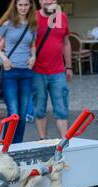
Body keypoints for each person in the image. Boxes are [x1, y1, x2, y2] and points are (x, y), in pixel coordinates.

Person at [0, 0, 37, 144]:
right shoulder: (7, 24)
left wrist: (34, 56)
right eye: (20, 5)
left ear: (30, 6)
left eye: (26, 5)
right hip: (10, 72)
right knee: (13, 112)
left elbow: (33, 44)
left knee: (22, 114)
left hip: (26, 73)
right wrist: (4, 58)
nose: (23, 8)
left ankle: (17, 146)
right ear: (15, 6)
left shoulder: (32, 25)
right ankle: (7, 145)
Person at [32, 0, 73, 140]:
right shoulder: (33, 17)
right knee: (39, 109)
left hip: (58, 72)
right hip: (37, 71)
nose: (48, 1)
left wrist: (69, 66)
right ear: (39, 1)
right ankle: (43, 140)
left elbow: (66, 43)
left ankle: (64, 142)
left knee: (61, 109)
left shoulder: (63, 17)